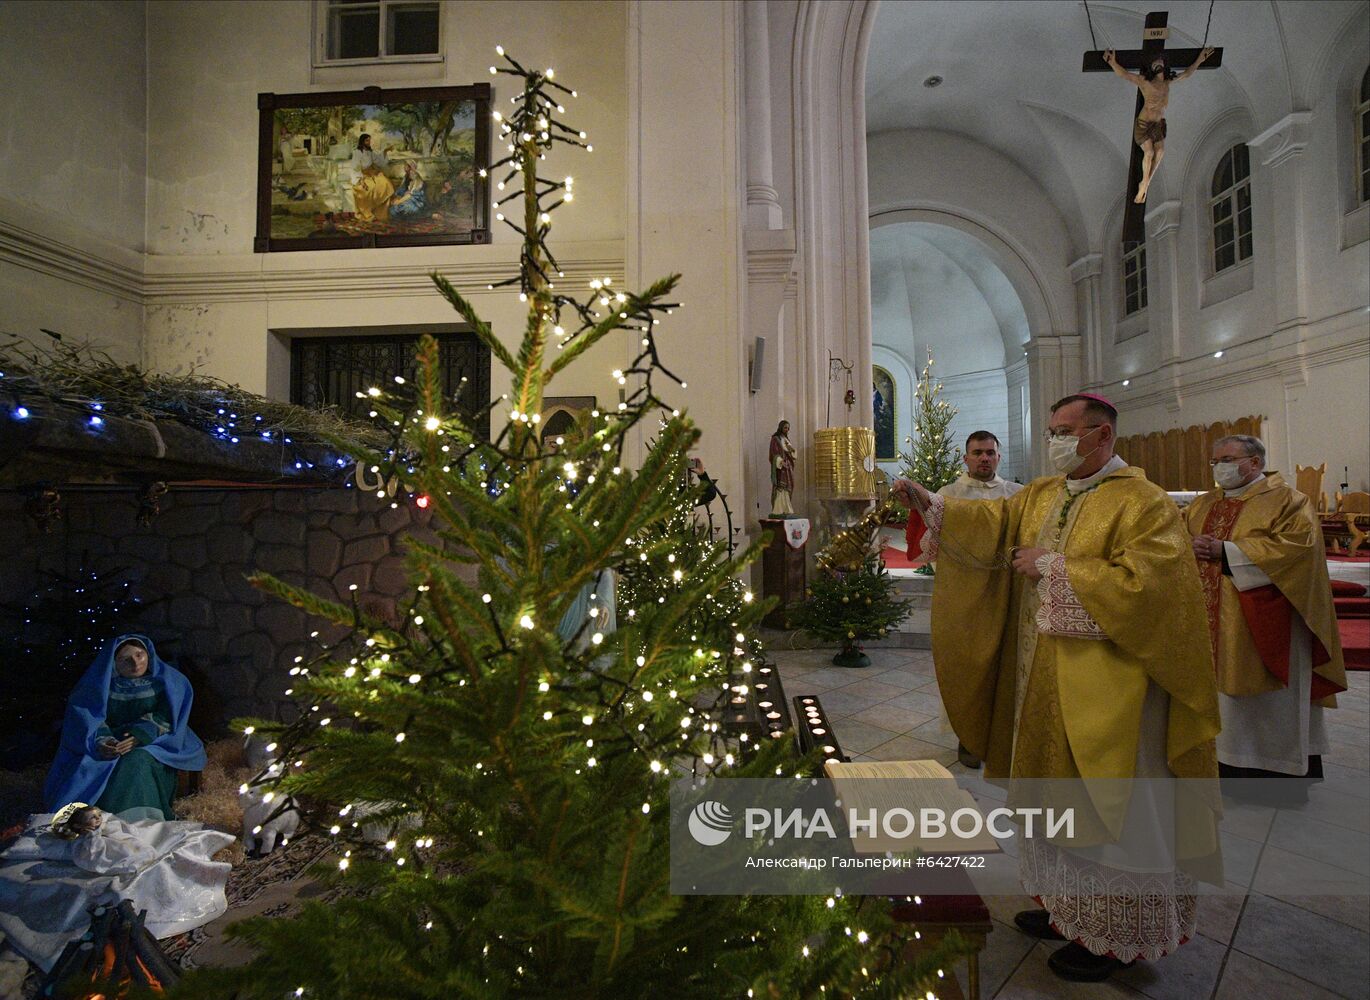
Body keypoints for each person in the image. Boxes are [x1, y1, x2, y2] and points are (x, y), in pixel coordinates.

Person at [892, 393, 1221, 982]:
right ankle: (1068, 908)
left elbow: (1153, 593)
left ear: (1102, 437)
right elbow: (990, 526)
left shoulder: (1142, 503)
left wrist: (1056, 568)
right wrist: (932, 504)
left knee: (1106, 806)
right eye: (1051, 431)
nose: (1055, 441)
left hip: (1113, 696)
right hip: (1040, 676)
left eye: (1066, 431)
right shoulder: (1044, 494)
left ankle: (1110, 932)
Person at [1185, 435, 1346, 802]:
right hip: (1210, 619)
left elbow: (1298, 551)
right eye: (1214, 461)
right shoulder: (1202, 504)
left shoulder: (1288, 501)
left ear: (1255, 462)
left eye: (1227, 459)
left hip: (1266, 620)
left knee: (1269, 703)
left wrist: (1225, 551)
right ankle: (1221, 768)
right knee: (1221, 701)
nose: (1219, 468)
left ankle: (1273, 777)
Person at [908, 431, 1024, 768]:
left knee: (1005, 663)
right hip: (960, 593)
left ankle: (1003, 736)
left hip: (1005, 590)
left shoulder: (1016, 495)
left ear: (999, 457)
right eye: (978, 453)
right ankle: (968, 736)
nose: (984, 458)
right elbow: (926, 547)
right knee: (965, 664)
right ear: (966, 458)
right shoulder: (946, 496)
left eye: (990, 453)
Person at [44, 635, 206, 823]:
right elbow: (89, 718)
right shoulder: (100, 686)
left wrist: (138, 736)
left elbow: (170, 715)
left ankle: (140, 820)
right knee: (96, 765)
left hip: (157, 742)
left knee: (135, 760)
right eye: (124, 659)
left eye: (139, 655)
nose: (135, 663)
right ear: (113, 663)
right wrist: (104, 741)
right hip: (111, 742)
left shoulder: (166, 683)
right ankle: (95, 816)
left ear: (149, 654)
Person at [1104, 46, 1215, 203]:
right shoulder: (1145, 82)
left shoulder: (1167, 83)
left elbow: (1186, 74)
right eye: (1156, 64)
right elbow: (1125, 75)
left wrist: (1199, 60)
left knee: (1161, 151)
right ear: (1152, 69)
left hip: (1157, 125)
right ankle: (1144, 183)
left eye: (1161, 63)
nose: (1159, 64)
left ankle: (1146, 183)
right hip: (1144, 124)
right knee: (1149, 153)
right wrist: (1113, 63)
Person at [350, 133, 394, 221]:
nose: (369, 142)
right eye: (367, 140)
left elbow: (379, 161)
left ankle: (380, 213)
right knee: (369, 188)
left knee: (385, 183)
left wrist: (385, 151)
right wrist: (360, 180)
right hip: (362, 175)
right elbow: (355, 167)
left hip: (372, 173)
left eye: (369, 140)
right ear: (362, 141)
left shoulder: (370, 152)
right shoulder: (357, 153)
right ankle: (367, 213)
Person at [769, 420, 797, 517]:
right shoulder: (775, 439)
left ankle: (787, 508)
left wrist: (792, 451)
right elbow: (774, 453)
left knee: (788, 487)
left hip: (788, 467)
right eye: (785, 427)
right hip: (780, 468)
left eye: (788, 428)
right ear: (781, 427)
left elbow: (792, 454)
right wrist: (780, 461)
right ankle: (778, 509)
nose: (787, 430)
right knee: (781, 487)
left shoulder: (786, 440)